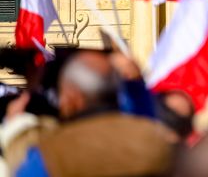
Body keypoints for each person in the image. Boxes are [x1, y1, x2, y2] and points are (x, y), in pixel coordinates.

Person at [14, 50, 173, 177]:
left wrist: (13, 129)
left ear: (73, 97)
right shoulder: (155, 139)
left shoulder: (51, 155)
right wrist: (136, 85)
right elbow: (146, 119)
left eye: (62, 94)